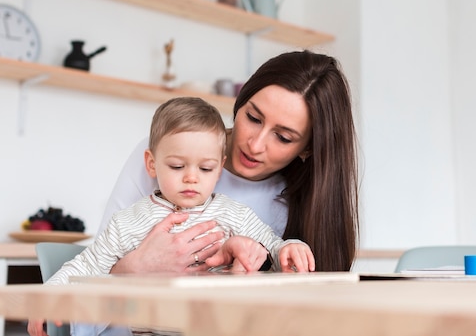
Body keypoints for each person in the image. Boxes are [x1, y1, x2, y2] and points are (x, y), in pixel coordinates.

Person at [27, 97, 314, 336]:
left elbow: (272, 245)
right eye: (177, 166)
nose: (191, 178)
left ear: (220, 167)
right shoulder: (129, 221)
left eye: (205, 169)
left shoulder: (231, 213)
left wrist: (289, 247)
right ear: (152, 164)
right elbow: (86, 265)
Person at [102, 50, 359, 274]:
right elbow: (94, 266)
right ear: (240, 103)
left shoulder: (298, 205)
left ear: (308, 149)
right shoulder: (167, 152)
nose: (255, 145)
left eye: (282, 137)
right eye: (253, 118)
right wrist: (138, 267)